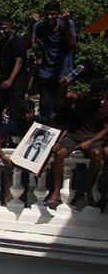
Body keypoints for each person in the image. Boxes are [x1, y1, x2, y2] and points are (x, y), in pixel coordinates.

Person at [46, 78, 108, 208]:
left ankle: (89, 190)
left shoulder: (105, 106)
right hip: (74, 135)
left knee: (96, 154)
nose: (96, 97)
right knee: (59, 153)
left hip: (93, 136)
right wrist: (63, 86)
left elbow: (106, 129)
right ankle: (56, 191)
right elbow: (66, 96)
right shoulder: (83, 98)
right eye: (94, 93)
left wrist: (90, 141)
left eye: (99, 94)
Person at [30, 0, 77, 121]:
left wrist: (65, 23)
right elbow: (32, 43)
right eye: (47, 14)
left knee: (60, 105)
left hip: (63, 70)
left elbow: (71, 44)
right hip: (46, 70)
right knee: (44, 104)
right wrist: (31, 25)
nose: (49, 17)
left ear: (59, 14)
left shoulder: (67, 23)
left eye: (53, 14)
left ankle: (60, 133)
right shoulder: (40, 25)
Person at [0, 18, 29, 138]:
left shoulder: (18, 42)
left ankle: (15, 138)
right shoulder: (2, 43)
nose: (2, 31)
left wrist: (10, 80)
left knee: (15, 113)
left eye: (4, 28)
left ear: (11, 27)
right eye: (0, 29)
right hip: (3, 83)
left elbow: (19, 62)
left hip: (16, 84)